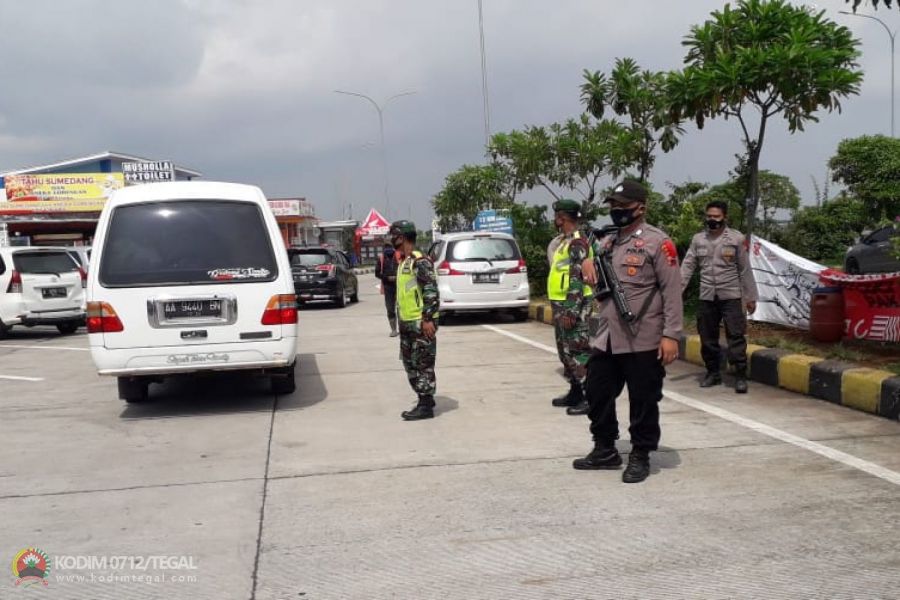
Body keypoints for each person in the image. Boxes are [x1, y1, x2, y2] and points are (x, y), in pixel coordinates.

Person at [575, 180, 683, 483]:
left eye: (623, 207)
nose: (617, 212)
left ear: (641, 208)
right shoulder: (607, 243)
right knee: (596, 392)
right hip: (608, 335)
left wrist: (671, 334)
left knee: (643, 398)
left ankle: (640, 454)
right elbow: (595, 281)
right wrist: (586, 263)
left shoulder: (658, 243)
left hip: (643, 336)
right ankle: (605, 448)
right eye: (614, 207)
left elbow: (672, 291)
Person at [680, 200, 758, 393]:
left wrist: (750, 297)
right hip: (707, 296)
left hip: (731, 295)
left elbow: (745, 269)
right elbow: (687, 267)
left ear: (725, 218)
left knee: (736, 337)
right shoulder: (698, 240)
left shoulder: (736, 239)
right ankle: (712, 373)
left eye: (716, 216)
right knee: (707, 338)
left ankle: (740, 375)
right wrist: (676, 291)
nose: (712, 220)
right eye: (709, 216)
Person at [389, 220, 440, 421]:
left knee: (423, 364)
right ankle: (425, 397)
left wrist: (428, 319)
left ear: (402, 237)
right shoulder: (404, 262)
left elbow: (430, 291)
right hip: (407, 322)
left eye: (394, 236)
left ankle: (426, 404)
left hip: (421, 322)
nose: (391, 239)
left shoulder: (420, 261)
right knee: (410, 364)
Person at [546, 198, 594, 416]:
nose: (555, 220)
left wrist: (571, 310)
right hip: (560, 302)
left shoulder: (577, 242)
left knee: (579, 351)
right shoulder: (564, 241)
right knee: (565, 351)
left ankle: (589, 396)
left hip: (573, 303)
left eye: (557, 216)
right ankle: (575, 390)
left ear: (562, 218)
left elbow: (577, 276)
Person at [375, 242, 400, 336]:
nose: (388, 250)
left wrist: (397, 277)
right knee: (390, 308)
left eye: (390, 248)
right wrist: (387, 278)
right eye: (387, 248)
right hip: (388, 287)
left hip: (399, 286)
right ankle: (393, 329)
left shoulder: (398, 256)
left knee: (400, 308)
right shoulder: (381, 258)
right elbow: (377, 273)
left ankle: (402, 328)